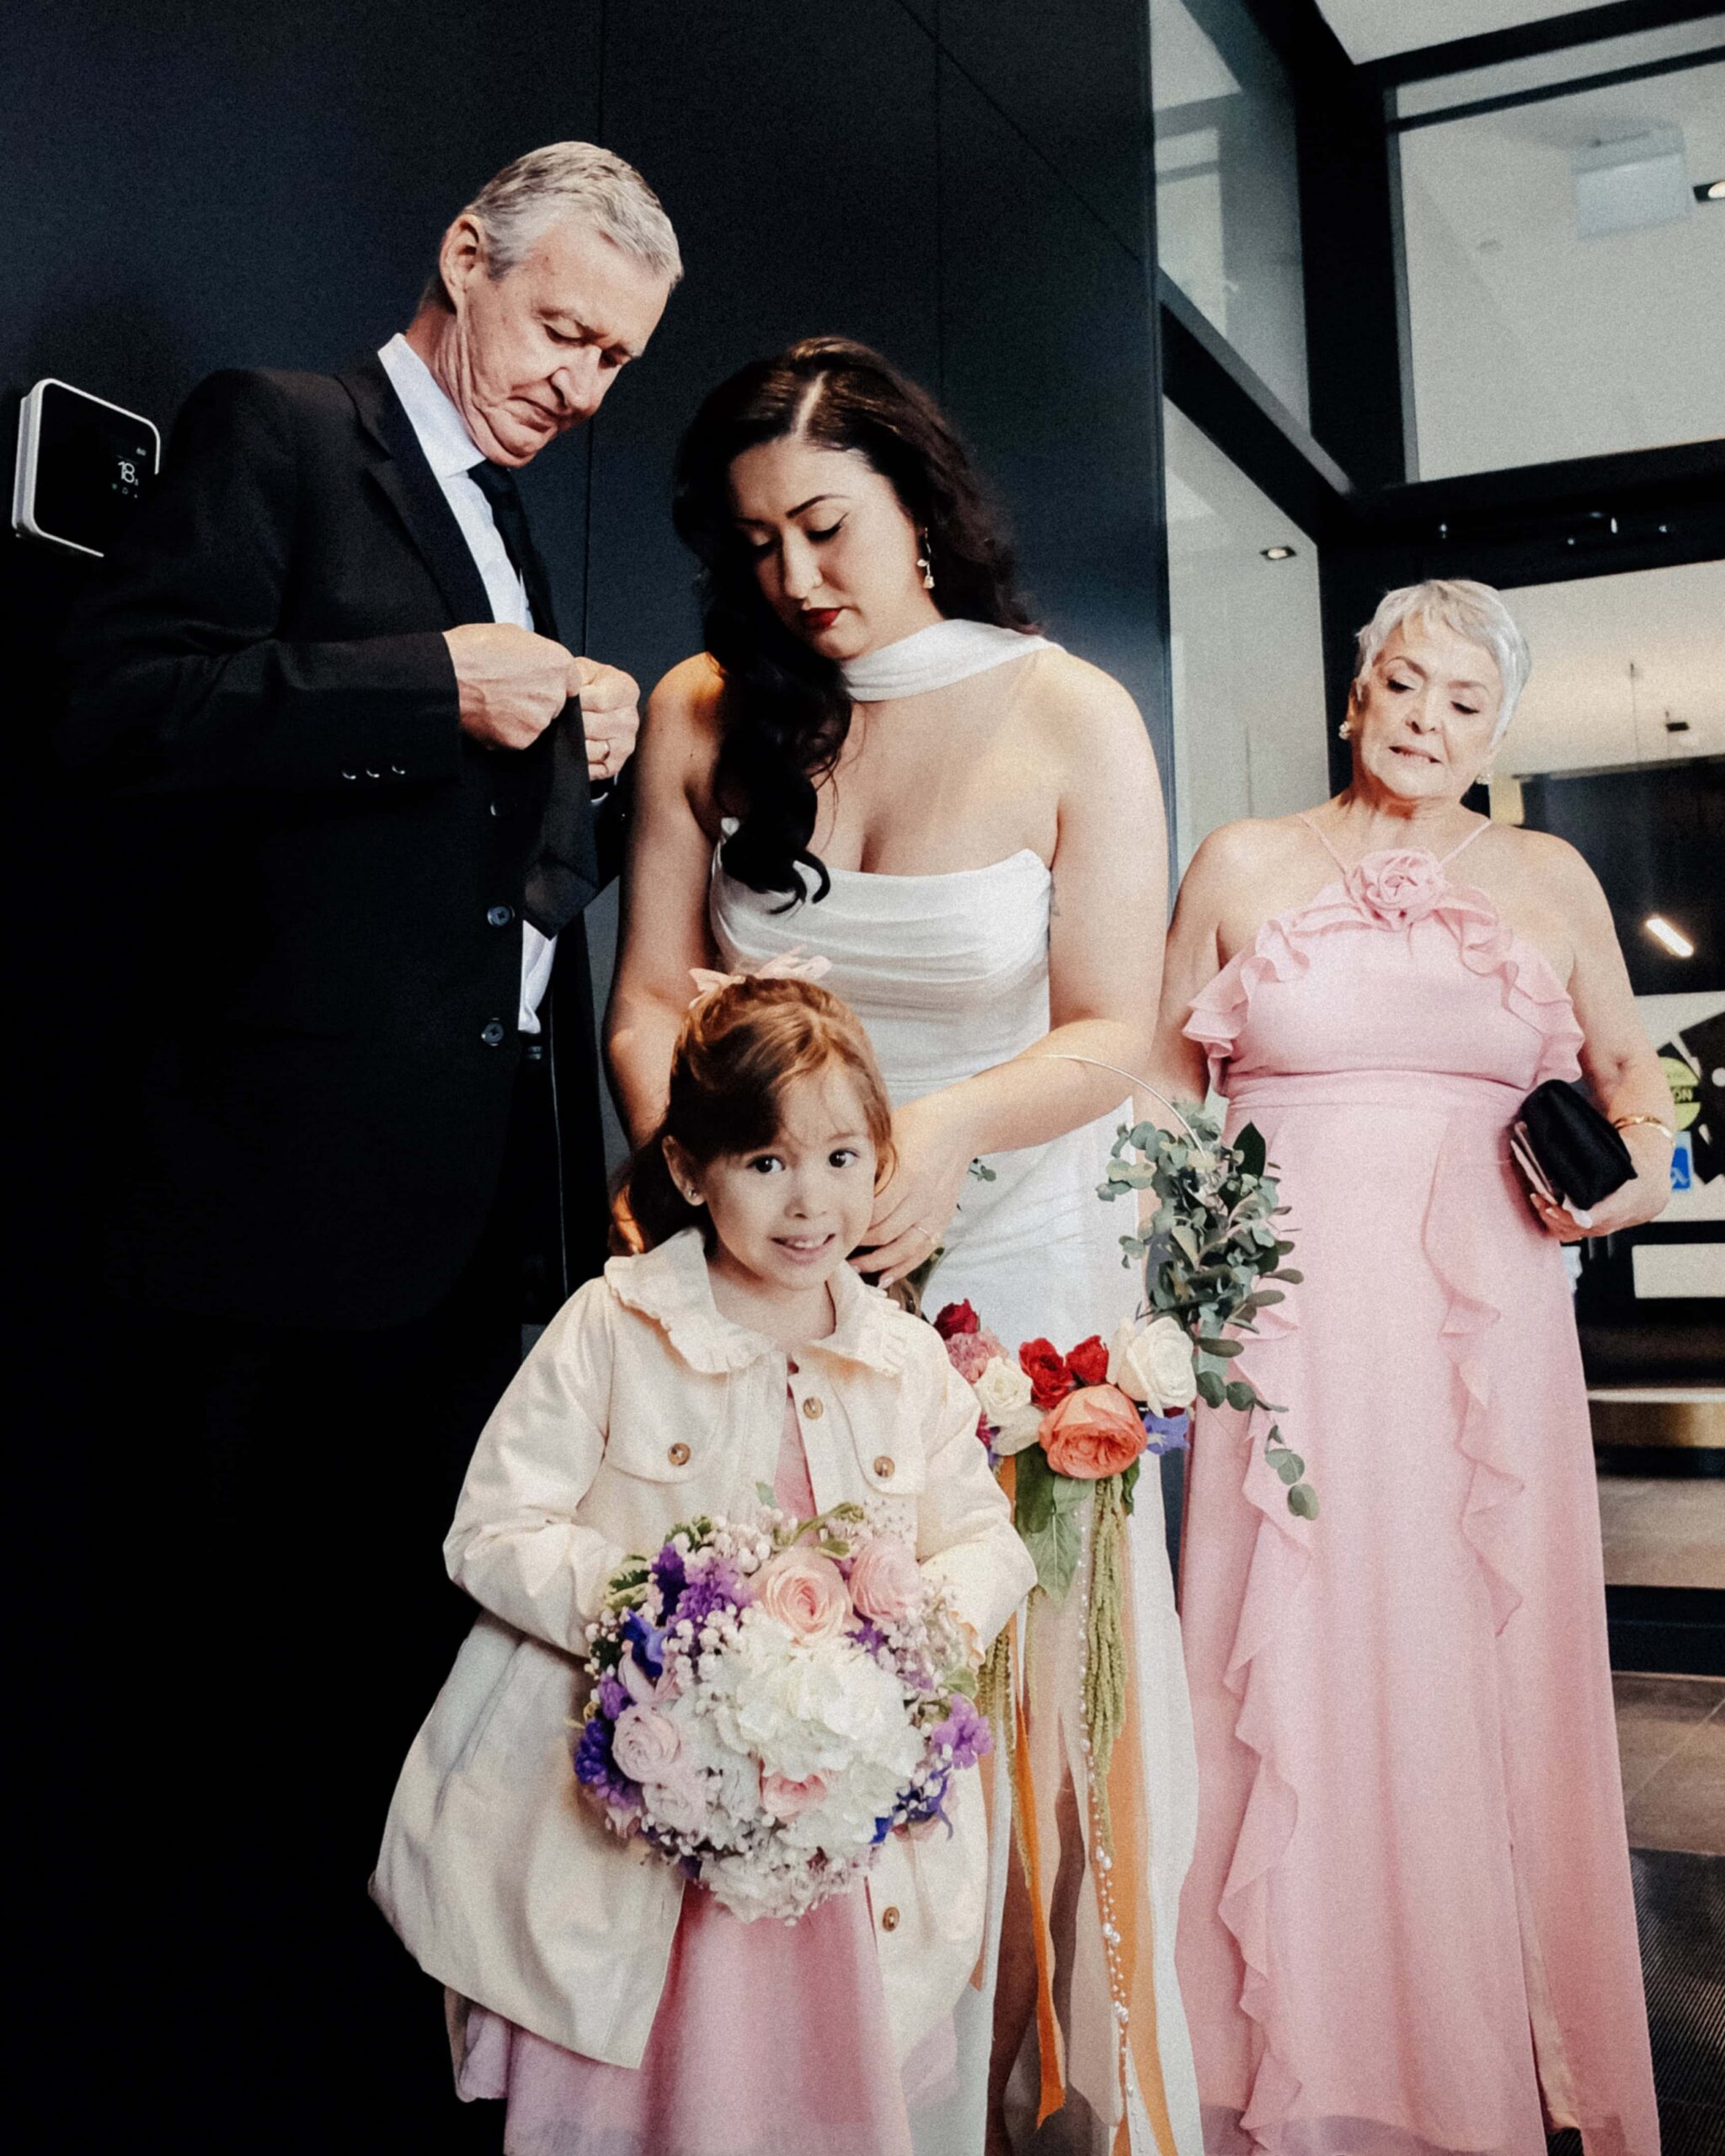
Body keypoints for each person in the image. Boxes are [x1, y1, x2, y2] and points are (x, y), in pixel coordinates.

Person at [56, 143, 680, 2150]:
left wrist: (580, 771)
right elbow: (115, 714)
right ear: (463, 255)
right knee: (227, 1705)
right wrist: (433, 681)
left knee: (397, 1702)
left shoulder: (514, 532)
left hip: (471, 1216)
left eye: (616, 361)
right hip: (266, 1215)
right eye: (563, 329)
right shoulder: (282, 428)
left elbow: (490, 892)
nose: (580, 384)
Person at [606, 338, 1201, 2155]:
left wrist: (939, 1131)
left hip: (1009, 1258)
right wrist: (733, 1183)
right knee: (764, 1687)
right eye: (755, 544)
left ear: (919, 508)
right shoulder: (705, 707)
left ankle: (1025, 2101)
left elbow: (1113, 1027)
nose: (795, 578)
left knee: (1007, 1714)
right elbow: (647, 1001)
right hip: (765, 1267)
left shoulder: (1068, 711)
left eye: (826, 527)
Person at [1154, 579, 1669, 2156]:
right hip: (1280, 1333)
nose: (1427, 721)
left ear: (1494, 734)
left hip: (1482, 1343)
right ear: (1355, 691)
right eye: (1406, 683)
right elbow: (1161, 1107)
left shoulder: (1548, 876)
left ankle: (1471, 2053)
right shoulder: (1241, 863)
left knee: (1470, 1659)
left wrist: (1622, 1187)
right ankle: (1269, 2059)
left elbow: (1639, 1095)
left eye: (1464, 702)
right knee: (1278, 1658)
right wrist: (1169, 1301)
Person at [373, 973, 1035, 2156]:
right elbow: (494, 1528)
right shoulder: (616, 1326)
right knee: (661, 2085)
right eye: (766, 1162)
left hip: (830, 1835)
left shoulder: (903, 1359)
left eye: (842, 1158)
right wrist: (664, 1623)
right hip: (641, 1834)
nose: (809, 1201)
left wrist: (900, 1639)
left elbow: (986, 1544)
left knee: (811, 2085)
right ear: (689, 1170)